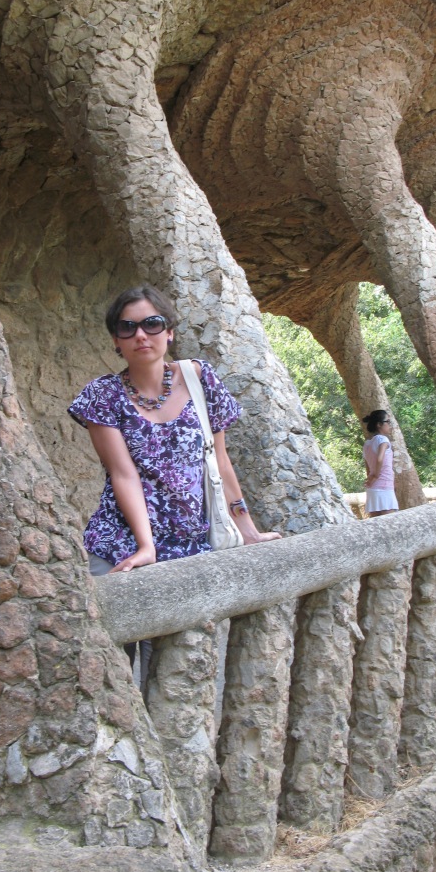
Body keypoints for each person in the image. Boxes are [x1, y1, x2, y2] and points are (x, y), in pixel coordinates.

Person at [68, 285, 281, 683]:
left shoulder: (199, 378)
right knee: (109, 675)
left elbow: (219, 462)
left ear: (169, 331)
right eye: (127, 328)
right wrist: (146, 546)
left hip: (188, 550)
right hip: (119, 548)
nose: (140, 335)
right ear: (116, 340)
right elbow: (123, 474)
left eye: (151, 324)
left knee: (171, 679)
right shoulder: (102, 395)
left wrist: (247, 530)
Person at [361, 410, 399, 517]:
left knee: (376, 522)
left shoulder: (367, 444)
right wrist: (376, 476)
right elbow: (379, 459)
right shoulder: (383, 440)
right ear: (379, 424)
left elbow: (368, 465)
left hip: (372, 488)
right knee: (390, 522)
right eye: (387, 422)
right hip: (384, 487)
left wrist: (371, 477)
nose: (390, 425)